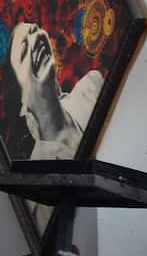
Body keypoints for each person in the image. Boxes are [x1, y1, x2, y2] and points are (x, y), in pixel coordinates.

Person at [8, 22, 103, 161]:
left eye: (35, 30)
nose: (37, 37)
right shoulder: (39, 168)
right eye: (24, 50)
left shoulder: (91, 88)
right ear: (22, 99)